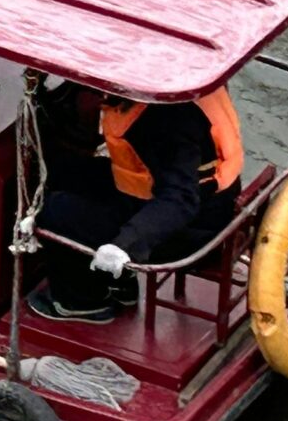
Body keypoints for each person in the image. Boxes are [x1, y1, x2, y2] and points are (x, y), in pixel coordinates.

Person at [32, 80, 244, 322]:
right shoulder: (195, 87)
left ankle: (81, 302)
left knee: (55, 211)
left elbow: (179, 200)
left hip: (189, 231)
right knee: (67, 173)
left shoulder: (164, 121)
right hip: (204, 201)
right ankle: (120, 284)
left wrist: (126, 245)